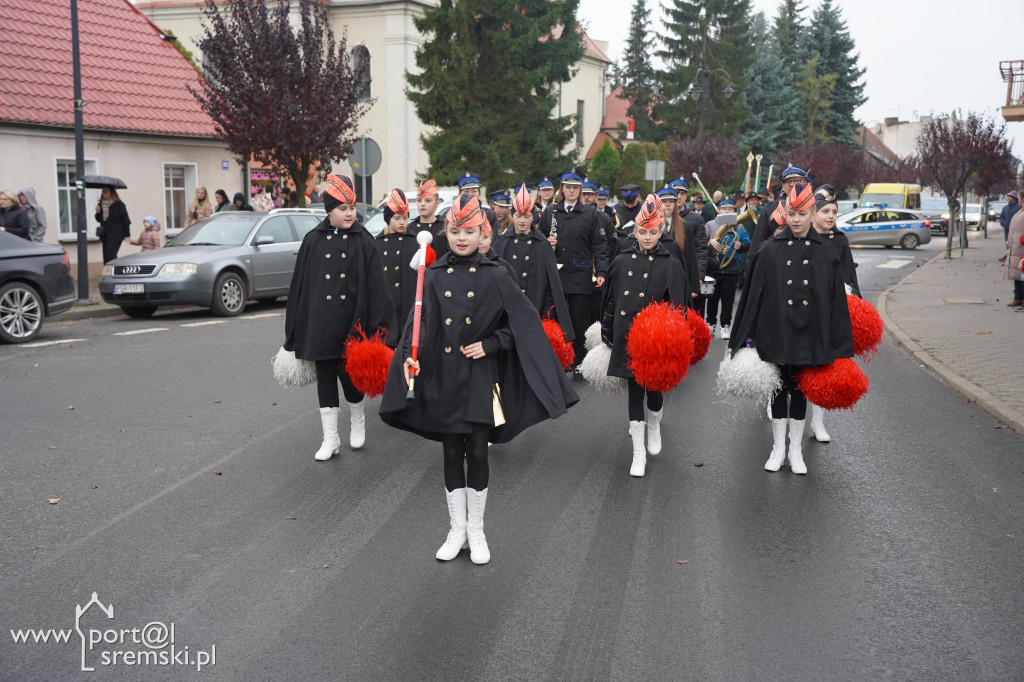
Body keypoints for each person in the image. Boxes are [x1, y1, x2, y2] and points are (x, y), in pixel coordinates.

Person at [379, 193, 579, 565]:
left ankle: (477, 530)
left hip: (481, 377)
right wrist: (410, 356)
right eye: (455, 231)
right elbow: (418, 323)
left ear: (481, 233)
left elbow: (524, 323)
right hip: (443, 374)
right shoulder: (433, 274)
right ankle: (456, 529)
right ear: (446, 231)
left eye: (469, 232)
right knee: (451, 452)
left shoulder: (496, 274)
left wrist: (492, 343)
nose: (462, 238)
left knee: (477, 451)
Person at [728, 182, 854, 475]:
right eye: (792, 213)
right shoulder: (769, 250)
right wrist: (745, 338)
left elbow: (836, 301)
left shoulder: (826, 251)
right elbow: (752, 297)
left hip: (810, 333)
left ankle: (795, 451)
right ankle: (778, 449)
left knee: (799, 391)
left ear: (812, 213)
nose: (796, 219)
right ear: (785, 212)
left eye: (802, 214)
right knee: (778, 389)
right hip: (776, 330)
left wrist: (838, 345)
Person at [283, 173, 397, 461]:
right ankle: (330, 437)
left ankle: (357, 421)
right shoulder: (313, 241)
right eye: (342, 208)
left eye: (352, 208)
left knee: (350, 378)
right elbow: (300, 288)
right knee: (325, 377)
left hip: (354, 322)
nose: (349, 214)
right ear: (329, 210)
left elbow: (378, 289)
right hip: (321, 324)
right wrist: (294, 331)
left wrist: (379, 330)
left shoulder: (364, 241)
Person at [601, 194, 689, 477]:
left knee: (654, 392)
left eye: (652, 232)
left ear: (660, 231)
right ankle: (638, 453)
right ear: (635, 232)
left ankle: (654, 424)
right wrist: (606, 331)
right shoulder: (621, 260)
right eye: (642, 232)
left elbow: (679, 307)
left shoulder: (670, 263)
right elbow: (611, 300)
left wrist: (673, 340)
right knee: (634, 391)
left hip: (656, 342)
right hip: (627, 335)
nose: (647, 237)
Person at [539, 168, 609, 379]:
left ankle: (579, 363)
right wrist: (546, 242)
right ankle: (562, 361)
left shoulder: (590, 213)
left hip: (581, 275)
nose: (571, 191)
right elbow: (538, 240)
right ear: (562, 189)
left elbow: (599, 245)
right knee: (559, 320)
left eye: (575, 188)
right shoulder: (550, 212)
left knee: (580, 321)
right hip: (557, 276)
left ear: (580, 190)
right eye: (568, 187)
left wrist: (602, 270)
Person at [492, 185, 574, 341]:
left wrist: (547, 312)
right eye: (518, 216)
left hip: (535, 309)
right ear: (513, 215)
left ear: (533, 217)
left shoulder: (543, 245)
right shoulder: (501, 244)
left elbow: (551, 283)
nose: (522, 220)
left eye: (527, 216)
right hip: (508, 312)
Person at [705, 197, 750, 340]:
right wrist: (710, 241)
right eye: (724, 209)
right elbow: (701, 243)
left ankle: (725, 325)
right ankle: (710, 323)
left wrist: (740, 246)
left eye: (730, 209)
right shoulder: (710, 224)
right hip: (713, 267)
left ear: (734, 211)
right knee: (712, 298)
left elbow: (748, 244)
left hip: (731, 268)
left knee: (728, 299)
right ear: (718, 210)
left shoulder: (739, 226)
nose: (727, 211)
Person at [375, 188, 419, 324]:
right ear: (388, 218)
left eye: (405, 218)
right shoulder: (377, 244)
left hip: (409, 307)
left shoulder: (416, 242)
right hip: (385, 308)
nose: (402, 222)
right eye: (397, 218)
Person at [750, 166, 810, 251]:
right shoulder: (771, 209)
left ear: (805, 183)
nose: (792, 184)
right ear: (783, 185)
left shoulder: (815, 207)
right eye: (788, 181)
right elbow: (758, 243)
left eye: (796, 180)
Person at [410, 178, 447, 258]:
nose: (422, 204)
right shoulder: (410, 229)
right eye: (419, 200)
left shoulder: (444, 228)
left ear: (437, 203)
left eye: (428, 200)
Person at [94, 187, 131, 263]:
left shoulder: (119, 205)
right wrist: (98, 211)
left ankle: (115, 269)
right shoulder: (101, 205)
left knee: (111, 256)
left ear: (111, 193)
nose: (104, 193)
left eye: (106, 191)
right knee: (106, 258)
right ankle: (108, 270)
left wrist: (127, 235)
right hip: (105, 235)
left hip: (116, 234)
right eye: (103, 191)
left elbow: (126, 220)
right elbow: (99, 219)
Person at [1003, 189, 1024, 307]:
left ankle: (1021, 298)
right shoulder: (1020, 211)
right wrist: (1009, 246)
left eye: (1019, 197)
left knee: (1021, 274)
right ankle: (1018, 297)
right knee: (1017, 274)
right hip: (1015, 248)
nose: (1018, 199)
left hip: (1021, 248)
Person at [999, 190, 1020, 262]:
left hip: (1016, 230)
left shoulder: (1018, 207)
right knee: (1007, 242)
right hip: (1007, 229)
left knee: (1015, 243)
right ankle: (1007, 255)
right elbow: (1001, 217)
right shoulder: (1005, 208)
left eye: (1009, 196)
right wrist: (1003, 223)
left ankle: (1012, 256)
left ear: (1014, 197)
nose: (1008, 198)